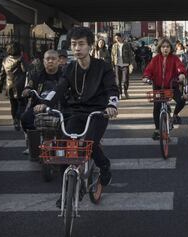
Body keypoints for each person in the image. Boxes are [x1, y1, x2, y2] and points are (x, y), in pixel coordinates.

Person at [34, 27, 119, 206]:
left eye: (81, 44)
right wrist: (45, 103)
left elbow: (112, 88)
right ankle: (67, 191)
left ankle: (104, 166)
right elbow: (59, 88)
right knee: (67, 148)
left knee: (89, 143)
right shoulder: (70, 68)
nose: (77, 48)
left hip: (97, 112)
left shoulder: (103, 67)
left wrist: (112, 105)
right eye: (74, 44)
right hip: (75, 112)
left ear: (90, 46)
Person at [20, 50, 63, 156]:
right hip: (38, 107)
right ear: (43, 61)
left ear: (58, 61)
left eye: (53, 59)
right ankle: (33, 145)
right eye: (47, 59)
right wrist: (27, 90)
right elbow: (29, 86)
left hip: (59, 107)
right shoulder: (36, 75)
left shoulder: (64, 76)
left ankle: (63, 145)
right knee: (25, 119)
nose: (50, 61)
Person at [142, 38, 186, 139]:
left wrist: (181, 74)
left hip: (172, 87)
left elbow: (180, 67)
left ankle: (175, 115)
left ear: (171, 48)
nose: (165, 49)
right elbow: (148, 70)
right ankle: (157, 130)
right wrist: (146, 77)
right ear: (160, 48)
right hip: (158, 88)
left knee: (182, 100)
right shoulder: (156, 59)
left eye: (167, 47)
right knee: (156, 107)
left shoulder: (174, 58)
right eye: (163, 47)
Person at [0, 42, 28, 131]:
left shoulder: (5, 60)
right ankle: (18, 118)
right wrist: (22, 61)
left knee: (13, 105)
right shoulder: (20, 59)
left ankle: (15, 120)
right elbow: (25, 70)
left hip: (9, 85)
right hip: (20, 84)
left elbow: (2, 74)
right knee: (22, 104)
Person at [111, 33, 135, 99]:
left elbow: (131, 55)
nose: (116, 39)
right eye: (115, 38)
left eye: (117, 38)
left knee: (125, 80)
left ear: (121, 37)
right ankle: (120, 93)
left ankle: (125, 91)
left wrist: (131, 64)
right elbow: (112, 56)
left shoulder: (126, 45)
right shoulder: (114, 46)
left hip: (125, 65)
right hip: (117, 65)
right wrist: (112, 65)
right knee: (118, 81)